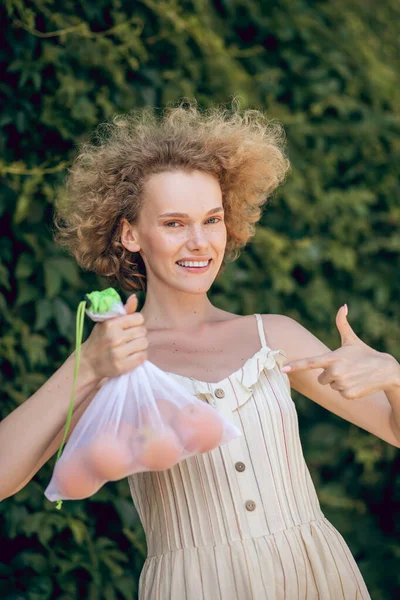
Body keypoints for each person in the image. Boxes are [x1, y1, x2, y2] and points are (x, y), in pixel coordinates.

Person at [2, 98, 399, 598]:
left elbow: (394, 426)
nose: (199, 242)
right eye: (173, 223)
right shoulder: (114, 355)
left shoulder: (272, 335)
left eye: (211, 219)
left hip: (316, 576)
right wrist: (86, 369)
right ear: (129, 234)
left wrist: (392, 376)